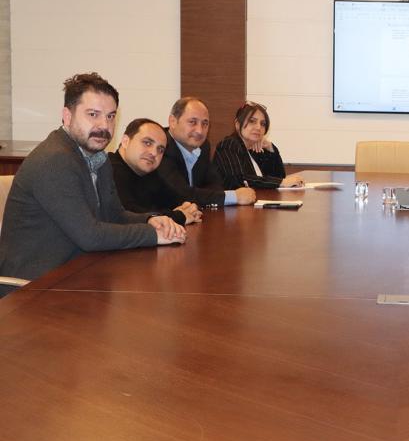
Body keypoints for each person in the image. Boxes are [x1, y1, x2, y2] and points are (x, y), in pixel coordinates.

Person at [0, 73, 185, 294]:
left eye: (110, 116)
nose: (104, 126)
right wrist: (152, 235)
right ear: (67, 116)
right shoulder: (54, 160)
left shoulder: (98, 158)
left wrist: (151, 221)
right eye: (93, 114)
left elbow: (114, 215)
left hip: (76, 274)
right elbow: (90, 236)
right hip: (33, 290)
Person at [156, 96, 256, 208]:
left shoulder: (203, 146)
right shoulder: (160, 147)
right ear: (173, 121)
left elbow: (215, 184)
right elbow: (181, 194)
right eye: (192, 122)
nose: (199, 131)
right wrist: (234, 197)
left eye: (205, 124)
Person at [109, 118, 203, 226]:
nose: (154, 153)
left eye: (160, 150)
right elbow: (130, 216)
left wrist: (190, 208)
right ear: (125, 141)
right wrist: (179, 216)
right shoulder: (109, 169)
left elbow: (182, 199)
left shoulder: (149, 173)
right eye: (147, 143)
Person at [213, 101, 304, 189]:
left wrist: (270, 148)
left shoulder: (255, 149)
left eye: (263, 124)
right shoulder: (229, 144)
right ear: (237, 124)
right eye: (252, 121)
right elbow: (239, 180)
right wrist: (281, 182)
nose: (258, 127)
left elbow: (279, 177)